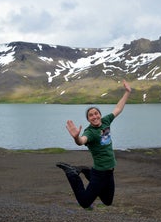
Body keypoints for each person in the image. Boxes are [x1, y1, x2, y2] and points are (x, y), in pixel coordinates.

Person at [56, 80, 132, 209]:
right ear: (88, 119)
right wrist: (76, 137)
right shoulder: (90, 132)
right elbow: (82, 141)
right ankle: (71, 173)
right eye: (91, 115)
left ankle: (86, 171)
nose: (94, 116)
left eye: (96, 113)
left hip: (109, 172)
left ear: (100, 115)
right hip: (100, 173)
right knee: (85, 203)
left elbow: (118, 108)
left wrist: (127, 92)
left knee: (107, 201)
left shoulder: (106, 121)